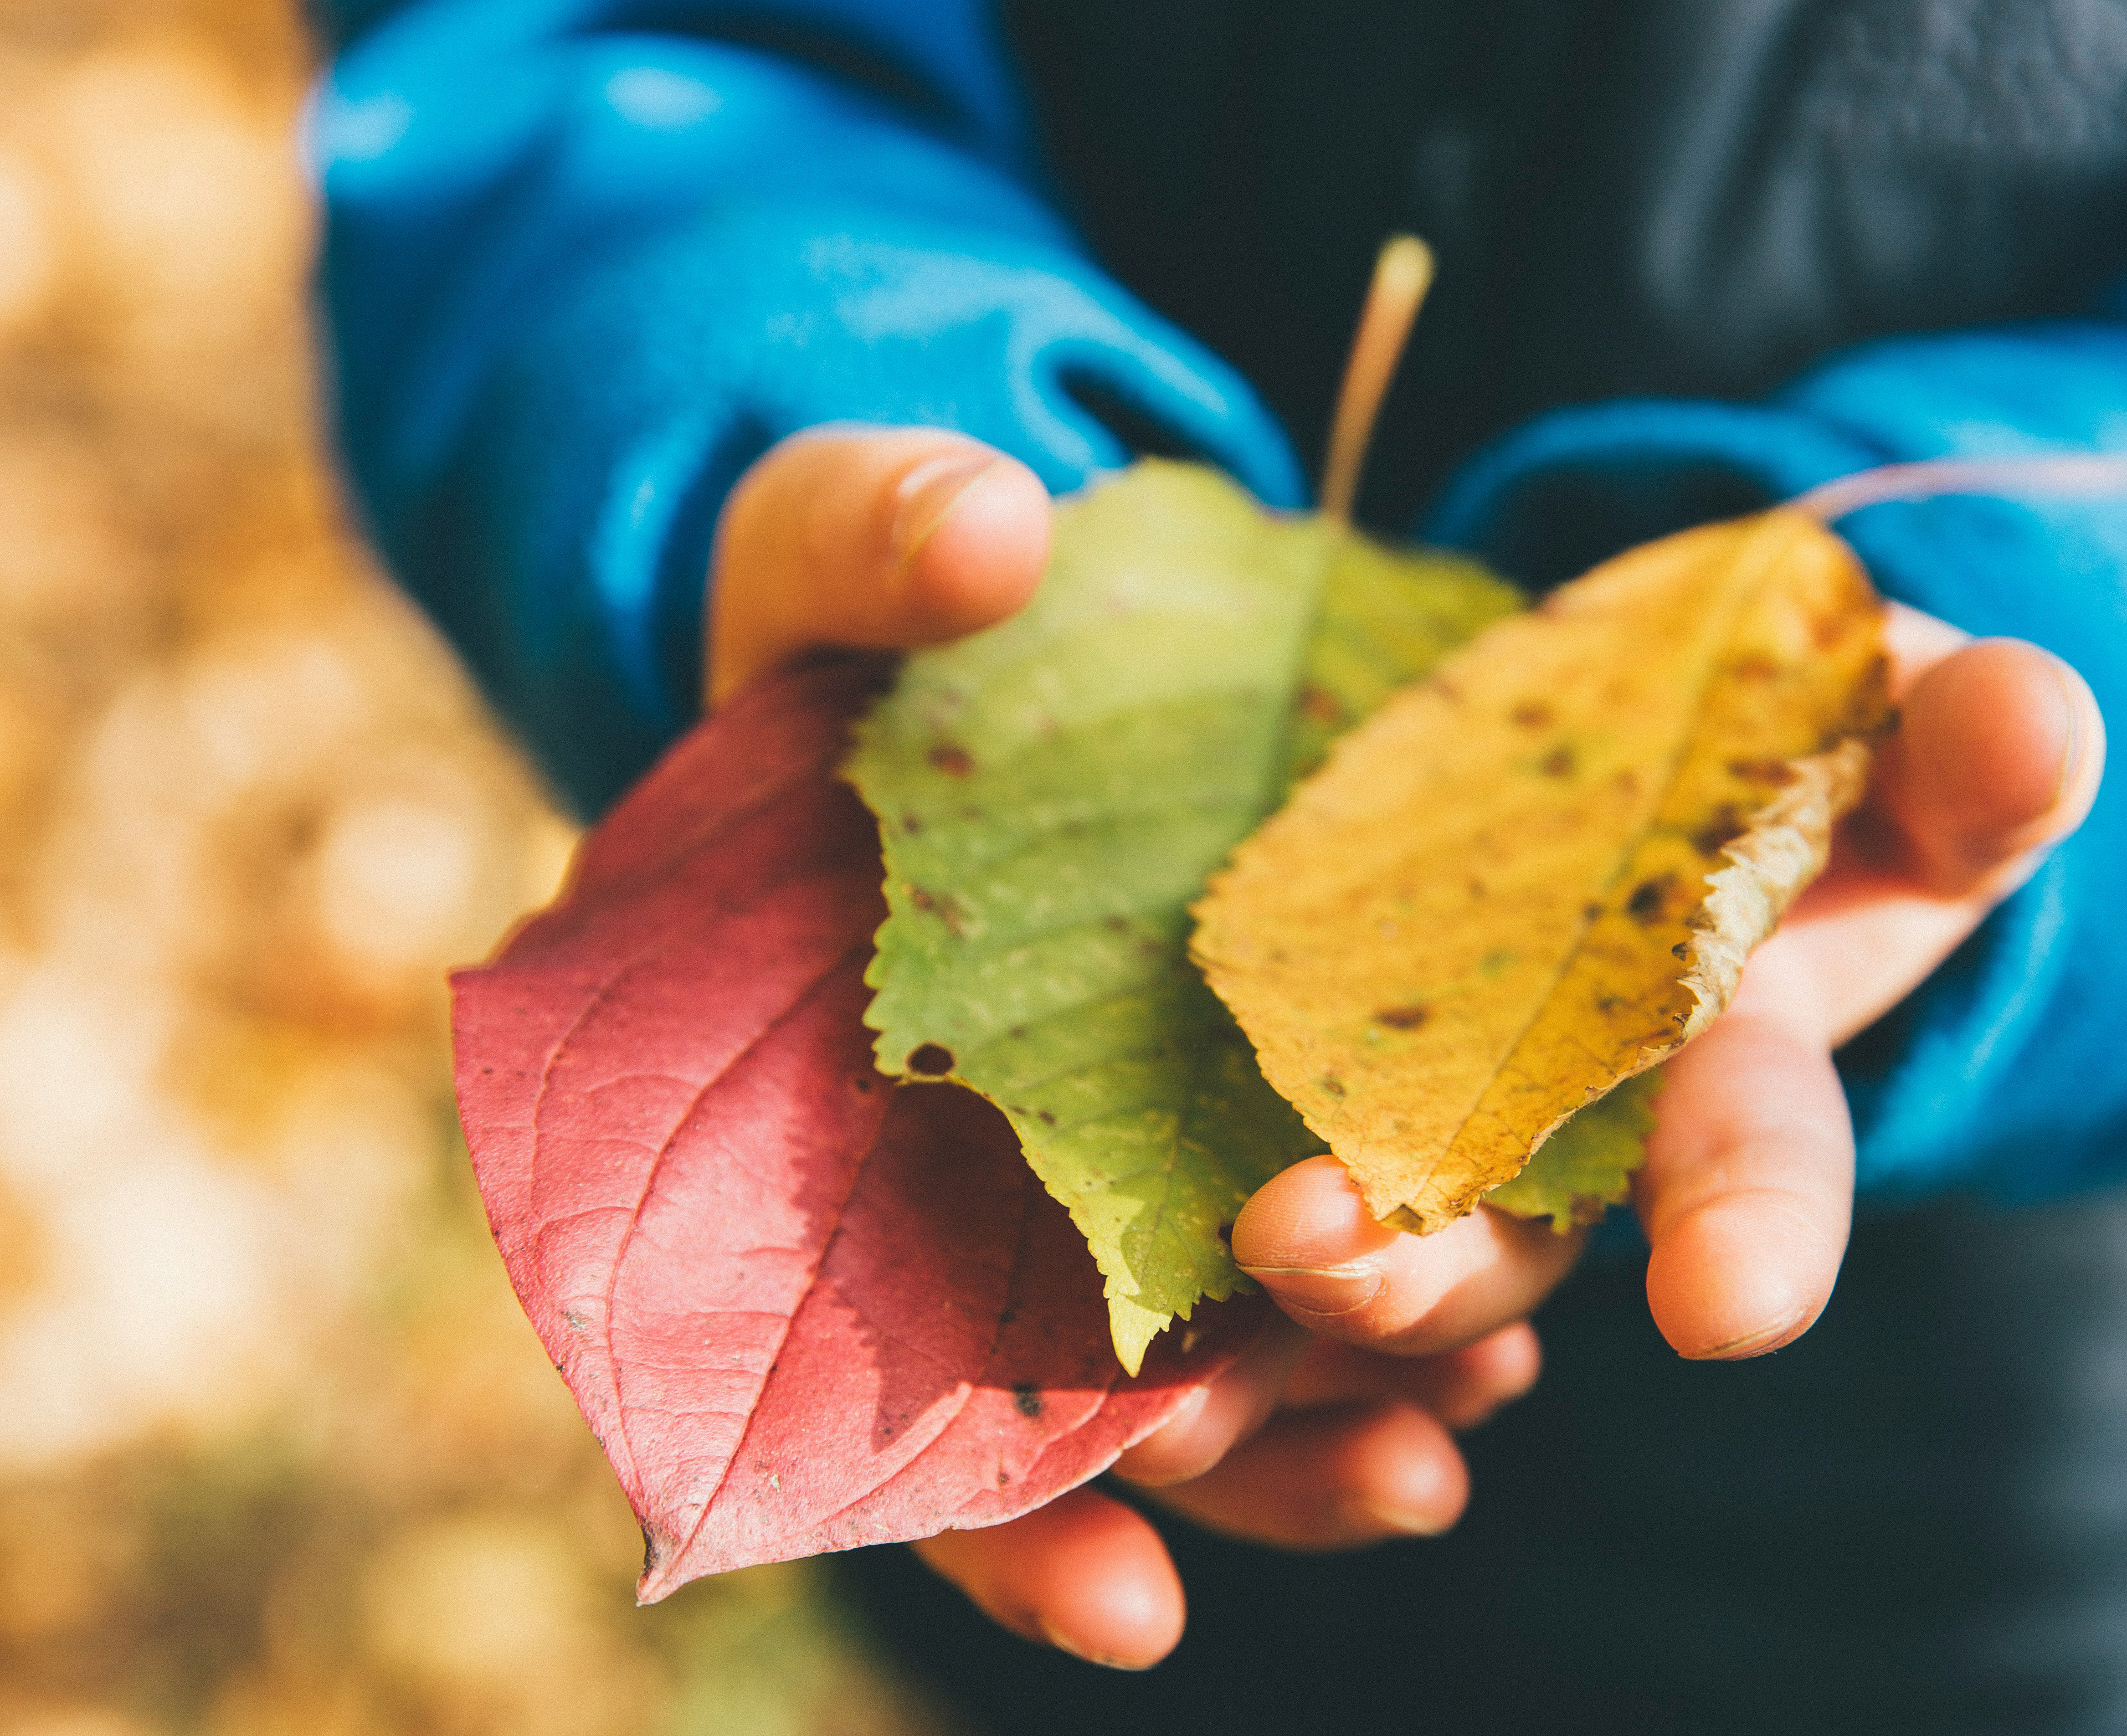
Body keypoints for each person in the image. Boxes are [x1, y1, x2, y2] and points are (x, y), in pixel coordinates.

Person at [309, 3, 2127, 1728]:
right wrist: (777, 398)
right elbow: (586, 54)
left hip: (1960, 1501)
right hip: (1077, 1488)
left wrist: (1998, 666)